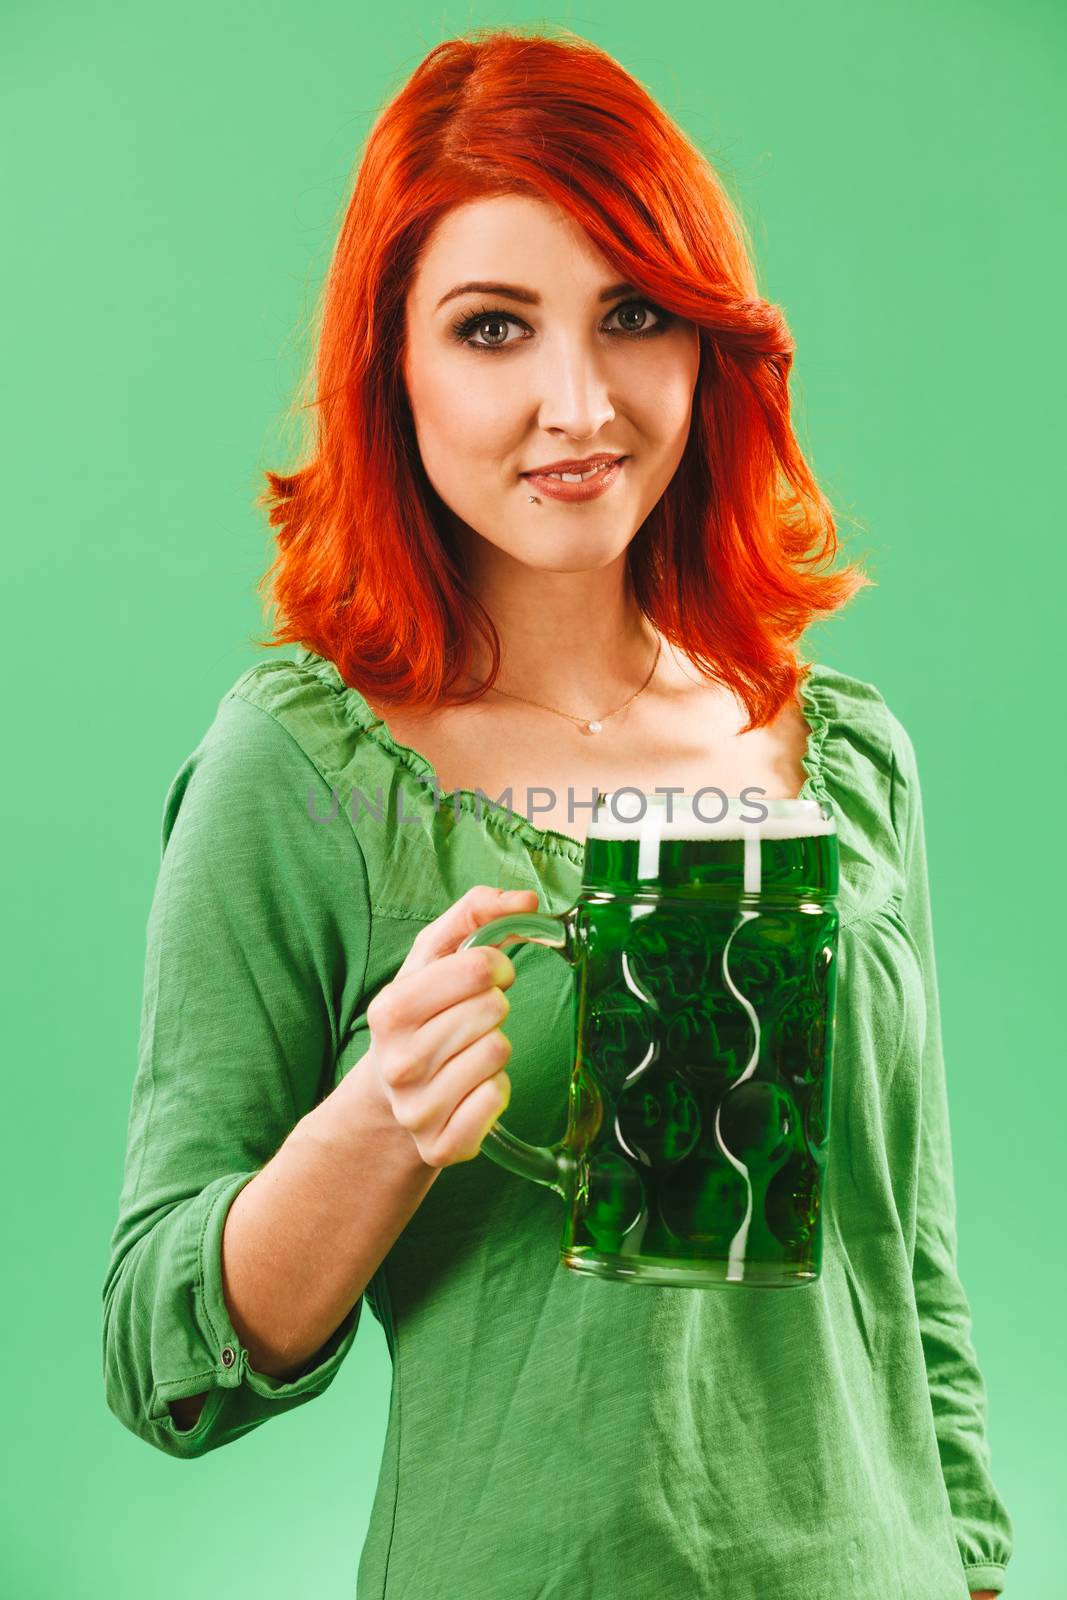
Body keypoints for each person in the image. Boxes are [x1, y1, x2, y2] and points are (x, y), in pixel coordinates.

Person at [101, 24, 1013, 1600]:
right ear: (390, 359)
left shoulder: (845, 756)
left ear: (704, 346)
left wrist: (977, 1567)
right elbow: (156, 1352)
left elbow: (910, 1275)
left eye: (634, 315)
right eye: (494, 327)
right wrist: (370, 1133)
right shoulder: (307, 772)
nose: (579, 401)